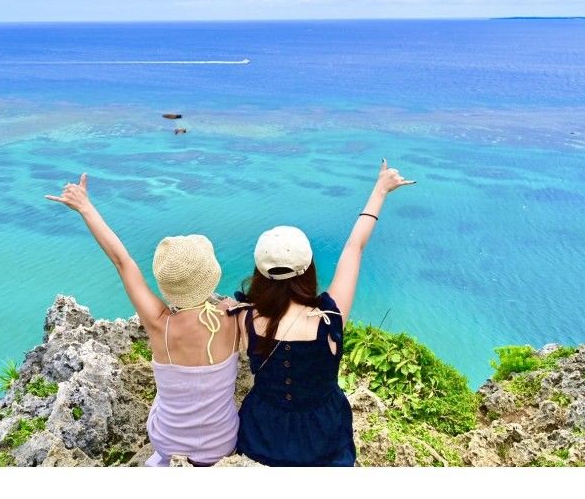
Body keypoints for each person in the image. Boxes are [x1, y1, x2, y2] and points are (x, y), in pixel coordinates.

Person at [227, 158, 415, 466]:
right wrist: (380, 189)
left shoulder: (243, 317)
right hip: (324, 438)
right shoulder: (329, 318)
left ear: (260, 273)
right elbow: (355, 247)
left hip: (261, 435)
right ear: (308, 269)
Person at [44, 173, 240, 467]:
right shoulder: (234, 317)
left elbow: (123, 262)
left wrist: (86, 207)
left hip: (170, 443)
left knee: (162, 406)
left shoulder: (160, 323)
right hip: (222, 445)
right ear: (211, 274)